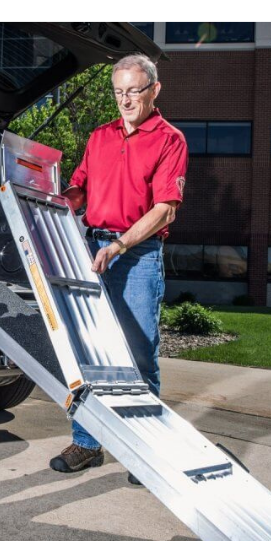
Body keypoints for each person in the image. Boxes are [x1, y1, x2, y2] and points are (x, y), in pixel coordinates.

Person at [49, 53, 188, 478]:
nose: (125, 100)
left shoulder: (170, 139)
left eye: (133, 91)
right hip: (91, 251)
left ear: (154, 90)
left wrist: (122, 245)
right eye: (118, 92)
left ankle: (143, 450)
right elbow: (79, 188)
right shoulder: (99, 137)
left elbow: (165, 209)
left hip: (138, 256)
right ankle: (87, 444)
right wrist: (48, 200)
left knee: (139, 355)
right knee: (88, 351)